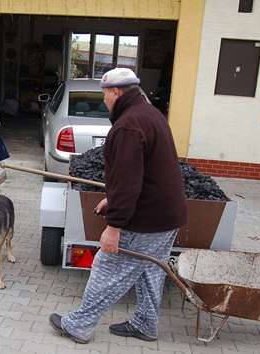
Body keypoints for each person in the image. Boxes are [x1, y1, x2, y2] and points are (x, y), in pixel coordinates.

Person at [49, 68, 188, 344]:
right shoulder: (150, 115)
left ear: (116, 92)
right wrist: (113, 198)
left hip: (148, 218)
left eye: (105, 96)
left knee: (107, 266)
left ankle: (79, 325)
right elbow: (144, 170)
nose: (104, 102)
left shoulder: (128, 126)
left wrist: (114, 226)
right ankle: (146, 324)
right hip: (168, 214)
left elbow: (128, 182)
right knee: (149, 269)